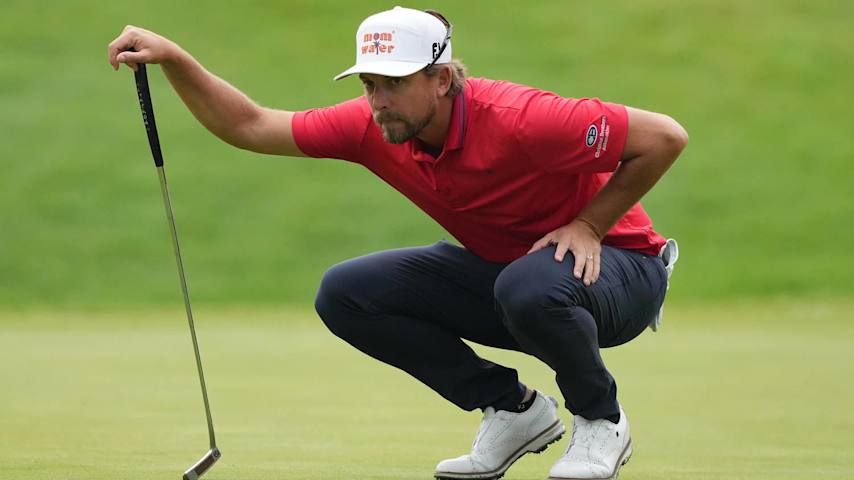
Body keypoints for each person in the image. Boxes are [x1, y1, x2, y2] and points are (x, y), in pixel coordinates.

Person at [108, 6, 686, 480]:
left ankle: (600, 420)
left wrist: (589, 224)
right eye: (369, 83)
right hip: (517, 276)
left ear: (442, 78)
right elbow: (252, 126)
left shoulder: (521, 117)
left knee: (527, 285)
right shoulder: (374, 126)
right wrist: (175, 60)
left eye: (396, 83)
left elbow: (663, 137)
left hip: (621, 271)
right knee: (348, 293)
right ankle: (514, 410)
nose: (379, 99)